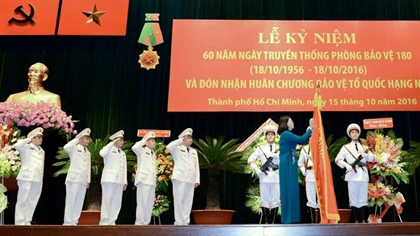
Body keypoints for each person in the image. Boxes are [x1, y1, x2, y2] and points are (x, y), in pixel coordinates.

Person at [335, 123, 376, 223]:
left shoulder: (364, 147)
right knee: (353, 199)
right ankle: (356, 220)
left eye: (356, 132)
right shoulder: (346, 147)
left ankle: (363, 220)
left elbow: (374, 158)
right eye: (352, 133)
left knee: (363, 199)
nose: (354, 134)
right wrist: (346, 165)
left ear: (358, 134)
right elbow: (337, 159)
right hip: (352, 175)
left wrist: (366, 156)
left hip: (362, 175)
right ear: (350, 135)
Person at [278, 115, 314, 223]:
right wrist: (309, 128)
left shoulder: (287, 135)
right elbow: (302, 139)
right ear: (286, 123)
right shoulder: (285, 134)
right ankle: (288, 218)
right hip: (287, 164)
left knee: (292, 189)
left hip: (291, 163)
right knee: (289, 189)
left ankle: (292, 217)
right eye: (291, 121)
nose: (293, 123)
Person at [166, 128, 200, 225]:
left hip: (190, 179)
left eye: (191, 138)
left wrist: (197, 179)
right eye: (188, 138)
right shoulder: (177, 149)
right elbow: (169, 146)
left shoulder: (194, 151)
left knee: (188, 201)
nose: (190, 140)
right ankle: (179, 221)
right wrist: (181, 140)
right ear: (183, 139)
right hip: (180, 178)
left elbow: (196, 165)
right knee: (179, 200)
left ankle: (185, 222)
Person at [248, 124, 280, 224]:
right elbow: (250, 159)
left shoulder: (280, 148)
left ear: (275, 136)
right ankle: (267, 223)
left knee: (275, 200)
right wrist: (257, 170)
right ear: (265, 136)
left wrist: (277, 156)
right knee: (265, 200)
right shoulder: (260, 148)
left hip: (276, 176)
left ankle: (273, 223)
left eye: (272, 134)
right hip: (264, 176)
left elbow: (284, 161)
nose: (270, 136)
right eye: (268, 134)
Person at [14, 127, 45, 225]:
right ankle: (19, 222)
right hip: (26, 177)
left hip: (37, 178)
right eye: (38, 137)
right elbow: (16, 145)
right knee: (22, 200)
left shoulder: (42, 151)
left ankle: (27, 220)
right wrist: (28, 139)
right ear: (33, 138)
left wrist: (41, 180)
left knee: (32, 201)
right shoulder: (26, 147)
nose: (40, 139)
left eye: (41, 137)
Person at [63, 128, 91, 225]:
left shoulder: (88, 153)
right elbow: (66, 147)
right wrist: (77, 138)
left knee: (79, 201)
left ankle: (74, 221)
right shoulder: (74, 148)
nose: (88, 141)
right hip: (74, 179)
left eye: (88, 139)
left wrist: (88, 180)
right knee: (71, 200)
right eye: (86, 138)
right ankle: (68, 222)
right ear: (81, 139)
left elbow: (88, 167)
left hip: (82, 180)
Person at [99, 130, 127, 225]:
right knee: (107, 200)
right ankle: (104, 221)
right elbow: (102, 153)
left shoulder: (123, 153)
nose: (122, 142)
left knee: (116, 202)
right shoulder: (108, 150)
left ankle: (112, 221)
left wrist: (124, 181)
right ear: (115, 140)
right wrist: (112, 143)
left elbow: (124, 168)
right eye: (120, 140)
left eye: (122, 140)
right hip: (109, 179)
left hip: (119, 180)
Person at [132, 131, 157, 225]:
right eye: (151, 141)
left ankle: (146, 222)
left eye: (154, 141)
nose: (153, 143)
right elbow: (134, 147)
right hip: (143, 180)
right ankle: (139, 223)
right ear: (146, 142)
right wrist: (144, 140)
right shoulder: (142, 151)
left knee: (149, 203)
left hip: (151, 181)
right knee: (142, 202)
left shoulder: (153, 153)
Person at [298, 144, 319, 223]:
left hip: (320, 175)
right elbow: (300, 162)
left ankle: (321, 221)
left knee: (321, 199)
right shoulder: (305, 148)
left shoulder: (322, 147)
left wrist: (314, 158)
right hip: (309, 174)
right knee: (311, 199)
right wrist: (304, 171)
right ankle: (313, 222)